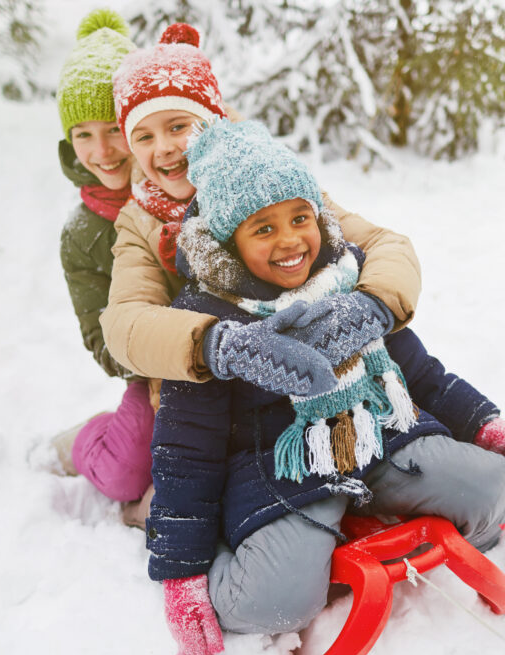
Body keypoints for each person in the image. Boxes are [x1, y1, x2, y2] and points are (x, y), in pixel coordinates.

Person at [146, 118, 505, 655]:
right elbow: (186, 450)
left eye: (300, 218)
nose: (291, 241)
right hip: (279, 470)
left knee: (485, 489)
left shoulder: (346, 281)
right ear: (228, 244)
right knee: (271, 605)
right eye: (262, 230)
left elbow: (419, 373)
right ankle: (239, 557)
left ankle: (374, 502)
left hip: (375, 432)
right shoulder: (209, 324)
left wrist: (484, 422)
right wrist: (182, 572)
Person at [100, 24, 422, 394]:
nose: (164, 147)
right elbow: (125, 321)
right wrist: (219, 346)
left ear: (211, 122)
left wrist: (373, 305)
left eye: (178, 127)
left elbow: (386, 244)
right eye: (144, 136)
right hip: (211, 401)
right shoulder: (139, 219)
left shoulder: (267, 180)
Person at [53, 9, 153, 524]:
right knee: (124, 474)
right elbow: (101, 339)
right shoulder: (83, 236)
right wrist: (165, 361)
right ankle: (86, 441)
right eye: (82, 134)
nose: (101, 151)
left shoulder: (180, 184)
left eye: (113, 128)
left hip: (230, 359)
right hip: (157, 370)